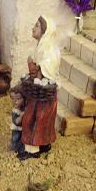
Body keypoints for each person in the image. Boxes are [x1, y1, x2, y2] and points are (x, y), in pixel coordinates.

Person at [17, 15, 60, 161]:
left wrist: (35, 68)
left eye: (36, 26)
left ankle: (32, 149)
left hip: (42, 95)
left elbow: (46, 67)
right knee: (42, 119)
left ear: (44, 31)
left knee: (34, 119)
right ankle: (43, 143)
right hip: (40, 93)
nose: (33, 28)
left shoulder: (49, 49)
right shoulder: (42, 46)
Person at [9, 86, 25, 153]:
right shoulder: (15, 111)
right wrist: (21, 116)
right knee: (15, 139)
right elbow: (16, 122)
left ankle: (20, 149)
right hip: (16, 129)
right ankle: (13, 149)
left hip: (22, 129)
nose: (15, 101)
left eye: (18, 99)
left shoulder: (23, 109)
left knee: (21, 140)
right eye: (12, 98)